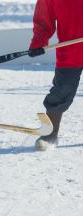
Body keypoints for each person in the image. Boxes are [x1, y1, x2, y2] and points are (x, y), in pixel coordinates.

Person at [29, 0, 83, 151]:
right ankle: (50, 134)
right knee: (61, 91)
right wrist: (38, 42)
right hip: (70, 50)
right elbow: (43, 18)